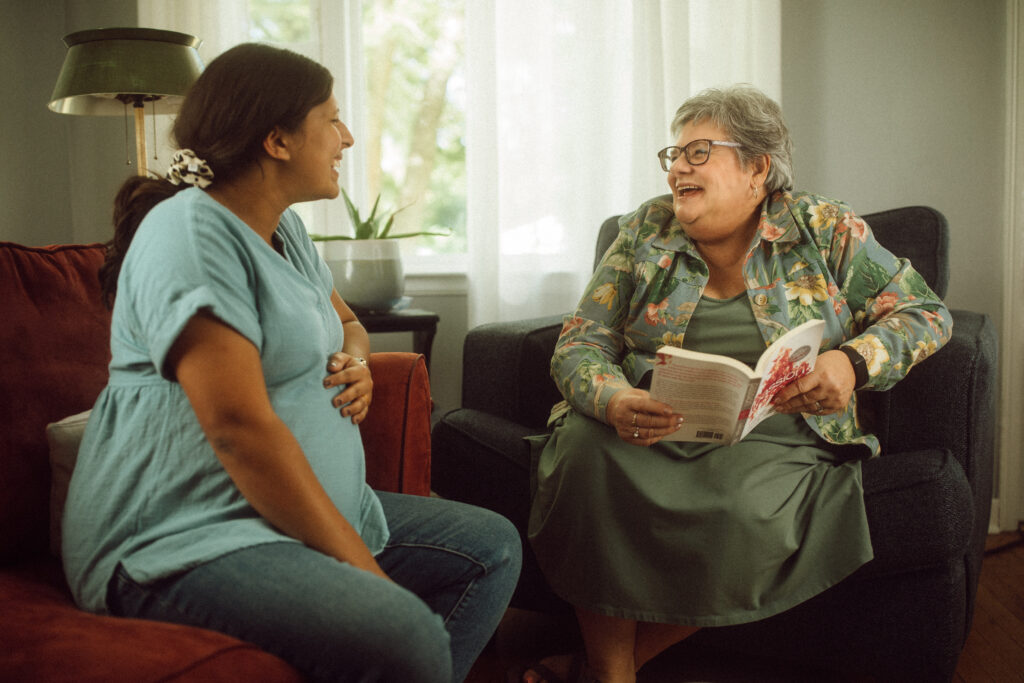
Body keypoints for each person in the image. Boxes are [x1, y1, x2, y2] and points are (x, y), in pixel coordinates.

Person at [61, 43, 520, 683]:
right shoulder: (191, 233)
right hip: (183, 536)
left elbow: (346, 324)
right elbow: (237, 429)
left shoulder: (286, 231)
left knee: (490, 547)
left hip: (281, 514)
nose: (348, 137)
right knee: (401, 628)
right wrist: (360, 568)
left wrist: (356, 359)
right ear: (277, 140)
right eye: (331, 119)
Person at [517, 84, 952, 683]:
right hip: (648, 419)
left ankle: (604, 669)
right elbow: (582, 339)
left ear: (757, 168)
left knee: (745, 512)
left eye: (698, 153)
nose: (678, 171)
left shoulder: (823, 227)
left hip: (778, 431)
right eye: (673, 156)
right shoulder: (647, 227)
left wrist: (850, 362)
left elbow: (927, 313)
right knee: (586, 458)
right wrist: (613, 398)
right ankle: (613, 673)